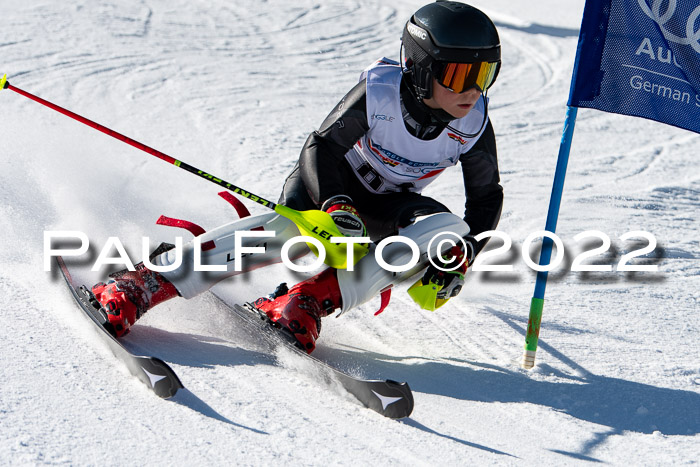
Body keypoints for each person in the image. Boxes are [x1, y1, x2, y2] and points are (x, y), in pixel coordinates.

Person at [91, 1, 504, 354]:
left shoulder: (473, 123)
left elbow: (486, 199)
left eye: (483, 76)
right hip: (330, 185)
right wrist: (334, 204)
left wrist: (462, 258)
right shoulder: (381, 92)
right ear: (418, 69)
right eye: (459, 76)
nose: (472, 91)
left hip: (388, 206)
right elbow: (321, 148)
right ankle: (143, 283)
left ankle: (305, 300)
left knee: (451, 230)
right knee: (287, 232)